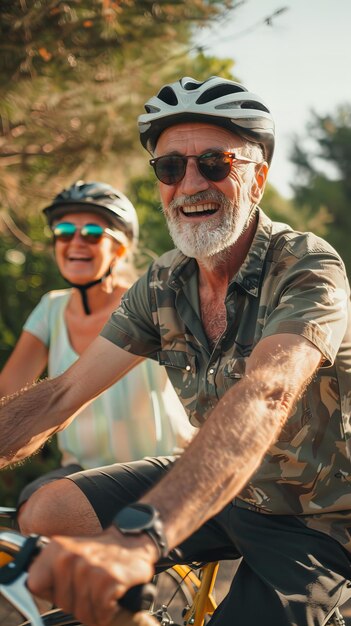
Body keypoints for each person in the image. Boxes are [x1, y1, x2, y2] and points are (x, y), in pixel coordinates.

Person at [0, 75, 350, 626]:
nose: (190, 185)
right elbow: (62, 393)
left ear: (257, 178)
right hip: (219, 489)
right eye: (170, 168)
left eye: (214, 164)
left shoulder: (306, 265)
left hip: (320, 516)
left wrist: (142, 537)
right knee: (47, 509)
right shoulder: (164, 280)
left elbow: (268, 394)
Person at [0, 181, 194, 514]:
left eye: (92, 232)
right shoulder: (51, 309)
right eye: (63, 231)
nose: (75, 241)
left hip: (158, 467)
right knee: (32, 506)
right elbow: (8, 390)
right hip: (80, 473)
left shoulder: (152, 302)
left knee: (45, 508)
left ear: (119, 249)